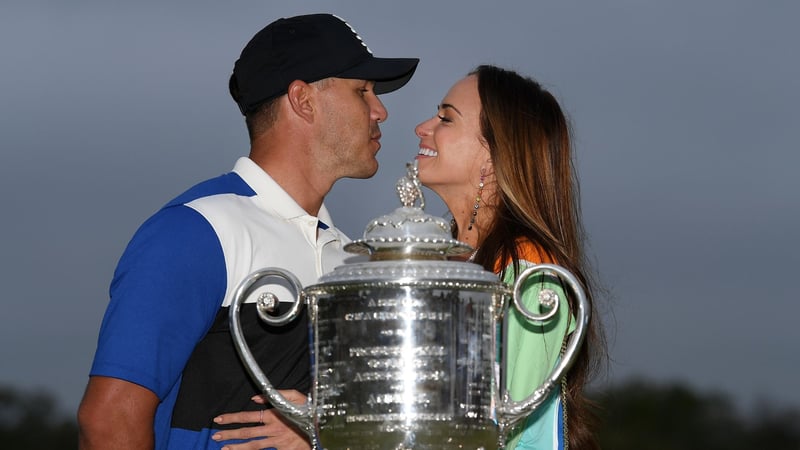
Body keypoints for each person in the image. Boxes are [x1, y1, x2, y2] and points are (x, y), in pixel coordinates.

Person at [77, 13, 418, 450]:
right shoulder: (198, 231)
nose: (380, 110)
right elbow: (107, 423)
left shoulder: (351, 259)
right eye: (362, 90)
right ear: (303, 99)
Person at [414, 65, 604, 450]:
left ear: (492, 155)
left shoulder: (531, 276)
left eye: (446, 118)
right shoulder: (441, 261)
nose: (422, 127)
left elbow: (501, 427)